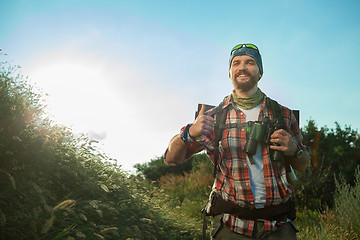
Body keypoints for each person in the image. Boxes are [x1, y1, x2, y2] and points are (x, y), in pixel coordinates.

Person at [164, 43, 309, 239]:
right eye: (236, 63)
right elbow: (172, 158)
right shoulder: (214, 117)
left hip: (279, 227)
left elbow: (303, 164)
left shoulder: (283, 114)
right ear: (230, 73)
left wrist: (293, 149)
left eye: (250, 62)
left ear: (259, 72)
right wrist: (189, 132)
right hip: (232, 227)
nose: (242, 67)